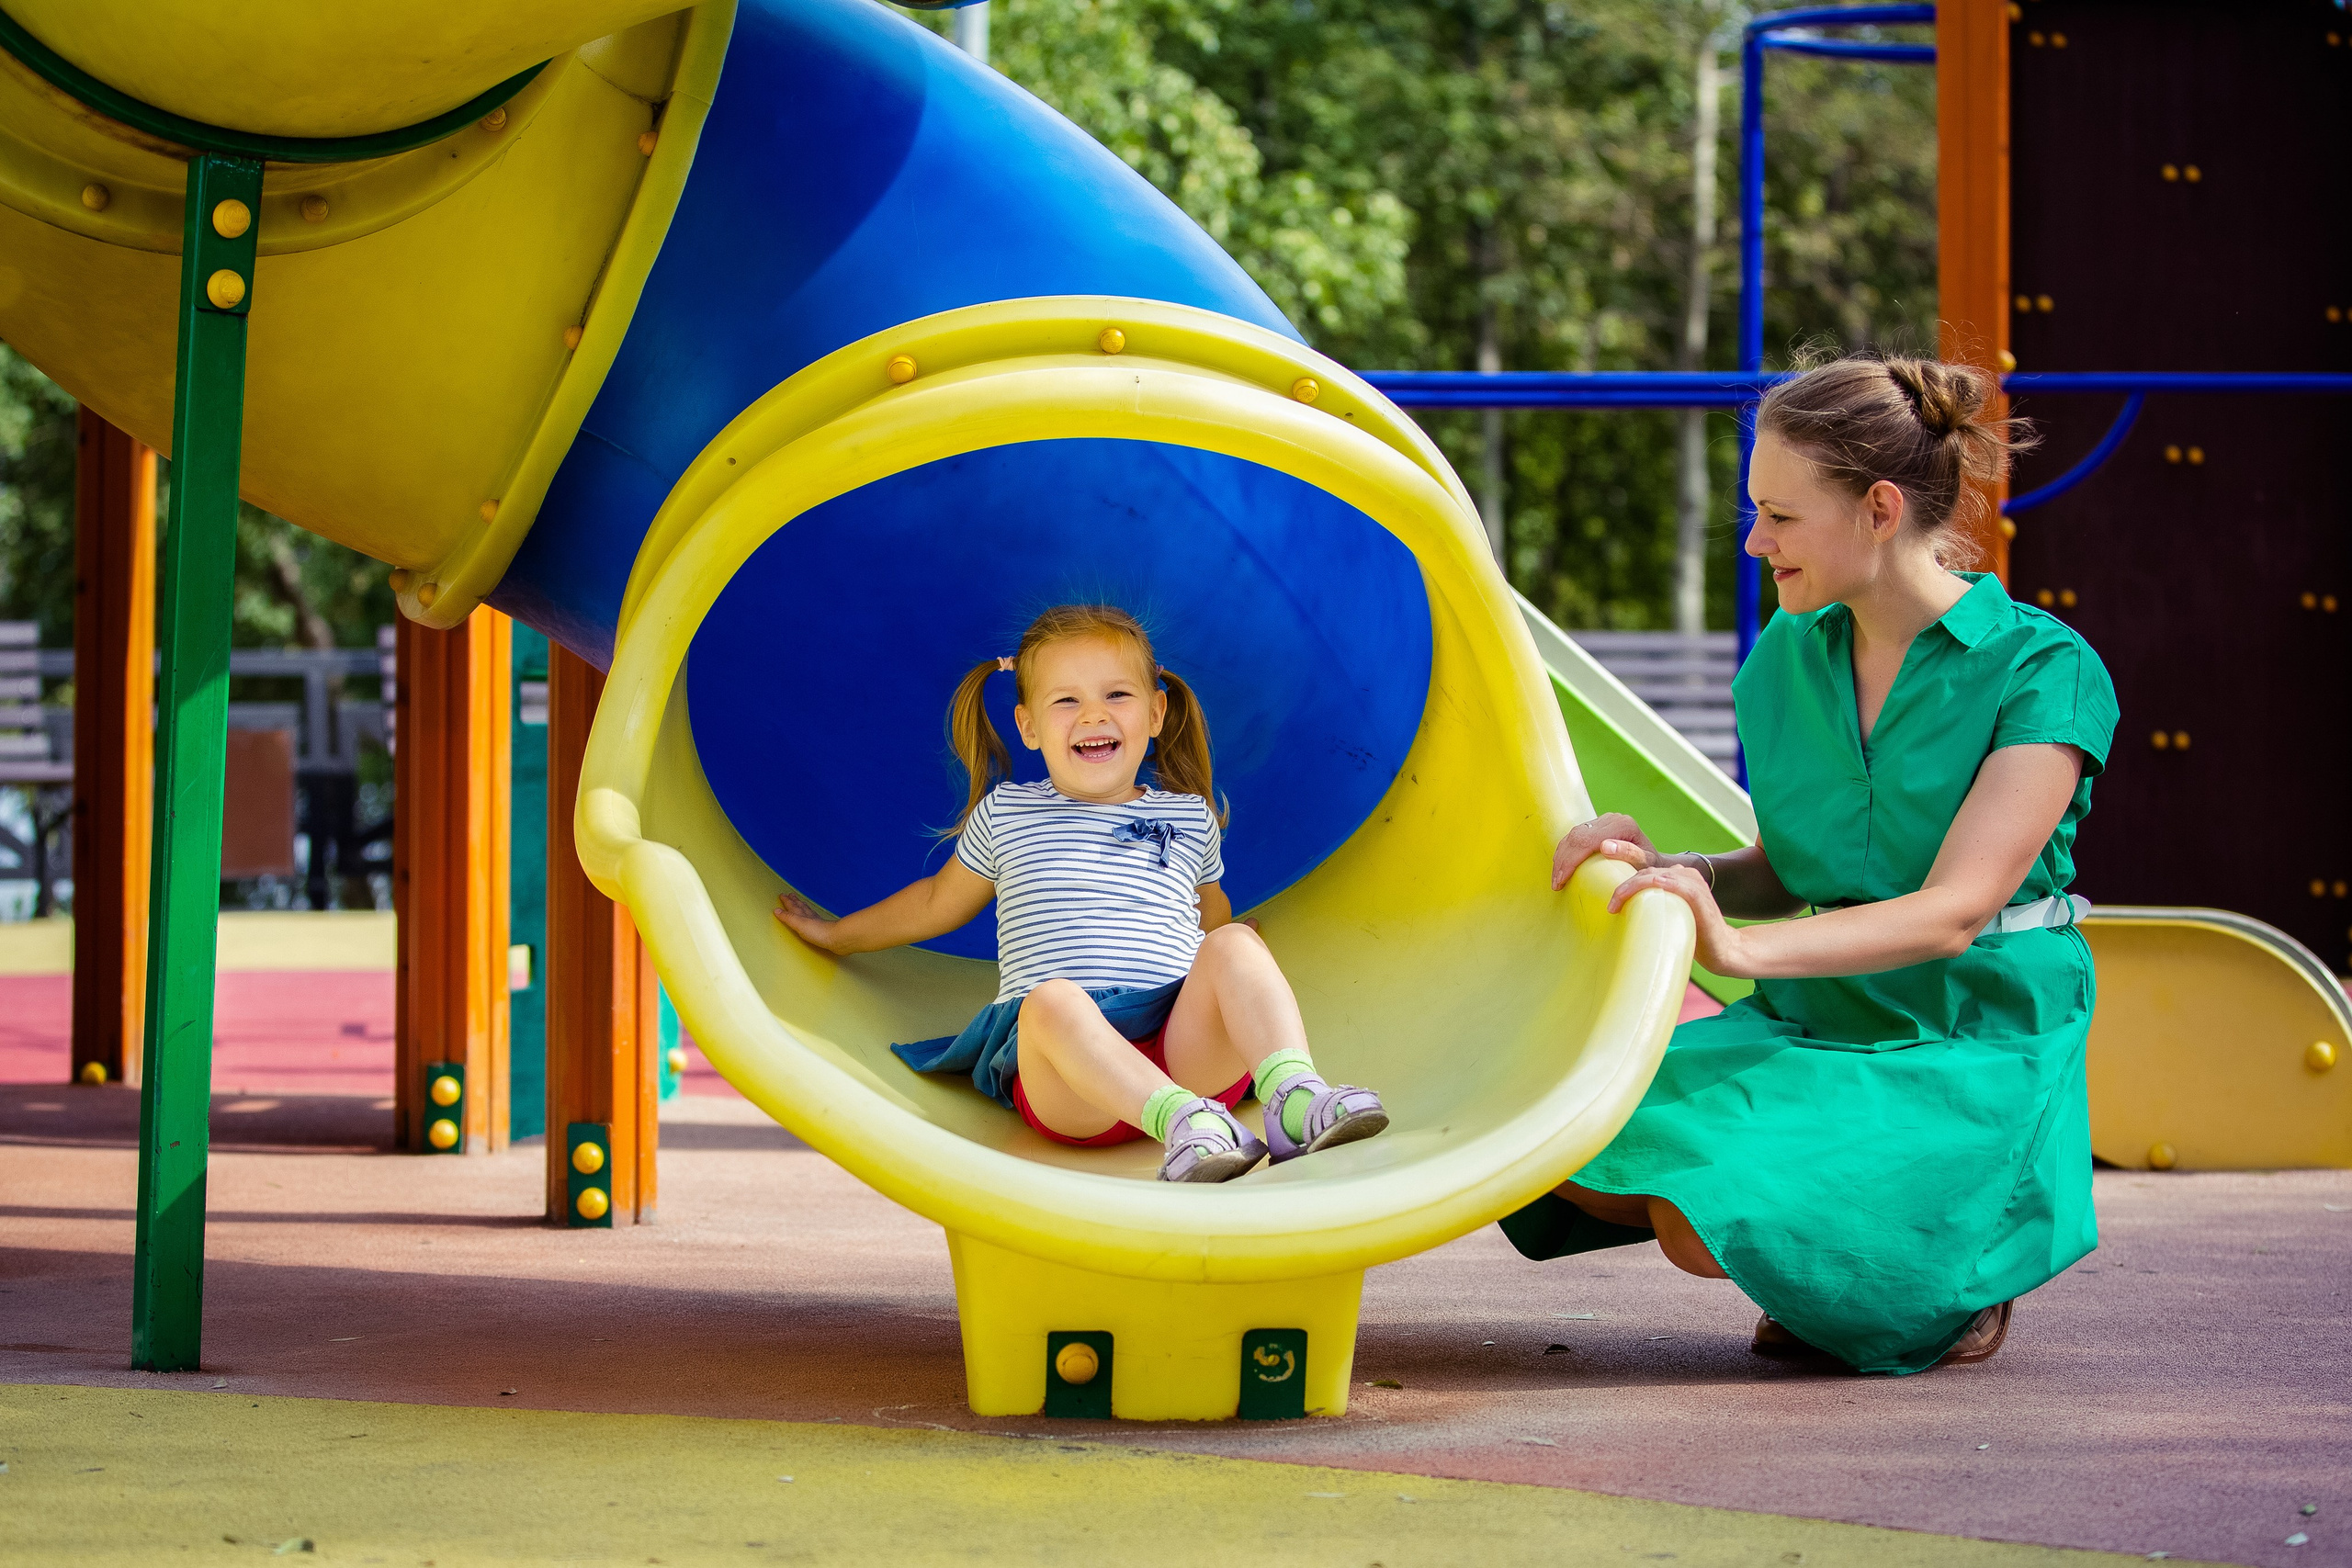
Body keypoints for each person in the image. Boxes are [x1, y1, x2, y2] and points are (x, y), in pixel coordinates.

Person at [1510, 355, 2118, 1373]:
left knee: (1701, 1215)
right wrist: (1670, 868)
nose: (1755, 543)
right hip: (1824, 1016)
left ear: (1879, 508)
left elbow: (1952, 912)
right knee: (1557, 1126)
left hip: (1967, 1029)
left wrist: (1737, 950)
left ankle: (1945, 1272)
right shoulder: (1784, 661)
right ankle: (1862, 1259)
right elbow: (1794, 868)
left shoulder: (2041, 669)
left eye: (1780, 517)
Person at [773, 603, 1387, 1183]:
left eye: (1116, 694)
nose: (1093, 715)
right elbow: (937, 901)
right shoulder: (1009, 811)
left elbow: (1208, 913)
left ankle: (1295, 1094)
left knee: (1232, 944)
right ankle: (1181, 1121)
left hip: (1180, 1044)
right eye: (1067, 700)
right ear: (1029, 726)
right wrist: (837, 935)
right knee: (1050, 1002)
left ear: (1155, 713)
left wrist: (1234, 953)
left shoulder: (1187, 815)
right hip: (1072, 1083)